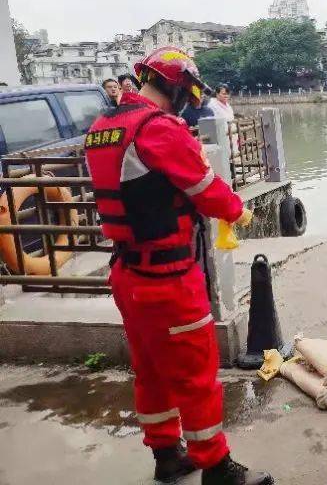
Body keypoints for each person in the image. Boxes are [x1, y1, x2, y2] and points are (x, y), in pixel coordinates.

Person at [84, 46, 272, 485]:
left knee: (151, 370)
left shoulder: (103, 127)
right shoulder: (159, 128)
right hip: (168, 277)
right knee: (196, 376)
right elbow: (205, 188)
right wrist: (237, 212)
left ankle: (167, 455)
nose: (190, 99)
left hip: (127, 272)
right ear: (175, 85)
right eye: (188, 90)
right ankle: (216, 467)